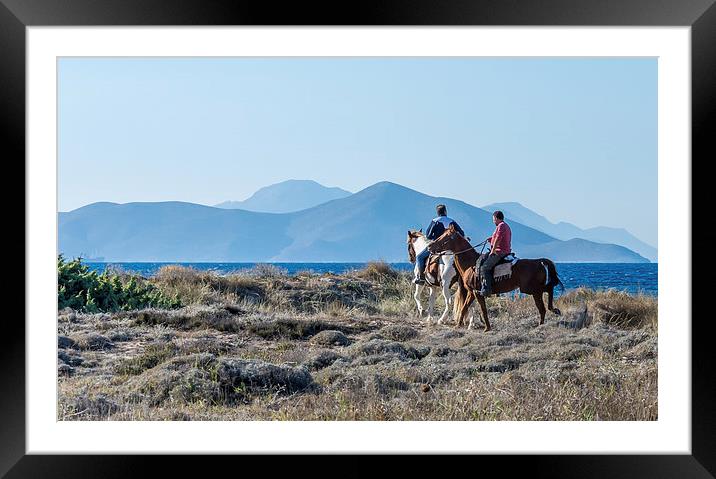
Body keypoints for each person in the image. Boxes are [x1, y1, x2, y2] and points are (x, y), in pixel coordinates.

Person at [413, 204, 466, 284]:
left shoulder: (435, 221)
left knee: (419, 257)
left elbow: (428, 235)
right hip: (451, 247)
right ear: (445, 211)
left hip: (437, 247)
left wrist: (435, 237)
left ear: (437, 212)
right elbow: (461, 233)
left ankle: (421, 278)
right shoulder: (451, 221)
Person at [479, 210, 512, 296]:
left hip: (500, 251)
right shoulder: (505, 226)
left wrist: (493, 251)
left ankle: (488, 289)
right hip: (504, 250)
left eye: (493, 219)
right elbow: (496, 237)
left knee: (485, 267)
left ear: (497, 218)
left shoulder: (501, 226)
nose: (493, 221)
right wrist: (490, 239)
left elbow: (498, 239)